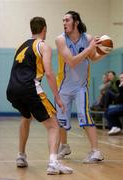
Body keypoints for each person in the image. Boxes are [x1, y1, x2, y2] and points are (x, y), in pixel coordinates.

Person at [6, 16, 73, 175]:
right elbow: (49, 73)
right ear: (44, 29)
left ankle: (21, 156)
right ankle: (53, 163)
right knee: (54, 125)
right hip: (29, 89)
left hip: (12, 90)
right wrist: (57, 97)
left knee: (26, 117)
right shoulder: (43, 46)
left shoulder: (20, 46)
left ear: (32, 29)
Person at [55, 11, 107, 163]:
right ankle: (64, 146)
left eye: (67, 20)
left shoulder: (88, 38)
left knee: (85, 116)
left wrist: (104, 51)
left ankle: (96, 151)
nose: (64, 23)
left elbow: (93, 58)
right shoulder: (60, 39)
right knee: (61, 121)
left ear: (76, 22)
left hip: (80, 87)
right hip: (63, 87)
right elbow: (71, 62)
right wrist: (90, 48)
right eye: (63, 20)